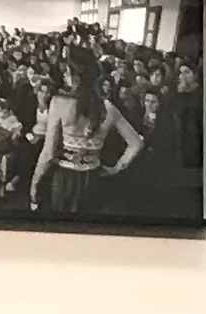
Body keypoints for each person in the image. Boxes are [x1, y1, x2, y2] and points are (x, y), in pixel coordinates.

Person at [30, 48, 144, 215]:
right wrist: (115, 168)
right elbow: (136, 144)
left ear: (74, 75)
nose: (64, 74)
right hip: (93, 179)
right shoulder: (108, 108)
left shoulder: (59, 103)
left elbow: (48, 153)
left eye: (67, 70)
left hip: (64, 178)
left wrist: (34, 182)